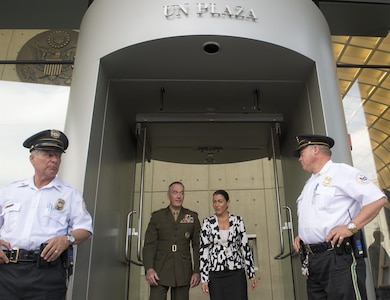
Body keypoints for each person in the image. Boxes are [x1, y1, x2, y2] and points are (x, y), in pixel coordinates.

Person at [0, 129, 93, 300]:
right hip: (7, 270)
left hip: (46, 273)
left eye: (58, 156)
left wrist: (67, 239)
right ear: (32, 158)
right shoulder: (11, 191)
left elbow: (85, 228)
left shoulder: (69, 194)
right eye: (48, 154)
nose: (54, 160)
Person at [292, 134, 387, 300]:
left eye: (301, 153)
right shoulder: (310, 183)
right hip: (315, 261)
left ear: (315, 149)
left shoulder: (342, 172)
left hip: (338, 257)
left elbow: (377, 200)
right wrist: (305, 235)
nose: (299, 158)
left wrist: (351, 227)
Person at [142, 181, 201, 300]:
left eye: (181, 193)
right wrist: (149, 268)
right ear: (168, 195)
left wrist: (197, 271)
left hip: (183, 270)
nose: (179, 196)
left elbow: (197, 245)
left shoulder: (192, 217)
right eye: (175, 193)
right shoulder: (157, 217)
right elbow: (149, 245)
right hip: (159, 270)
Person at [200, 189, 257, 300]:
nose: (217, 205)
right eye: (214, 202)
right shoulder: (207, 222)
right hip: (216, 273)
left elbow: (245, 247)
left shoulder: (237, 221)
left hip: (236, 271)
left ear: (228, 203)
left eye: (220, 201)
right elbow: (204, 251)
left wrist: (251, 273)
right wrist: (204, 279)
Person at [368, 230, 390, 299]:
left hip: (386, 280)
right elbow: (374, 264)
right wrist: (386, 265)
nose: (383, 236)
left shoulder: (380, 247)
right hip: (379, 281)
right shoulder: (373, 248)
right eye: (382, 235)